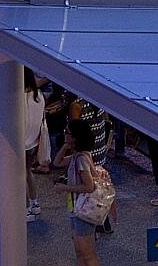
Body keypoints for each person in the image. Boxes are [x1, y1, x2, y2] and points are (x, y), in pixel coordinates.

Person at [53, 117, 103, 266]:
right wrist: (66, 146)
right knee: (80, 253)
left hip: (83, 211)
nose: (65, 134)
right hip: (77, 209)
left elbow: (89, 187)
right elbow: (57, 162)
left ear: (75, 137)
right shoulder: (78, 156)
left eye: (67, 132)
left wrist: (64, 188)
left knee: (87, 254)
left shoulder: (81, 159)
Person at [23, 67, 50, 218]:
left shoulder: (18, 98)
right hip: (34, 142)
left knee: (20, 175)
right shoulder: (39, 96)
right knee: (28, 172)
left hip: (20, 143)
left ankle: (25, 207)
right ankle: (35, 202)